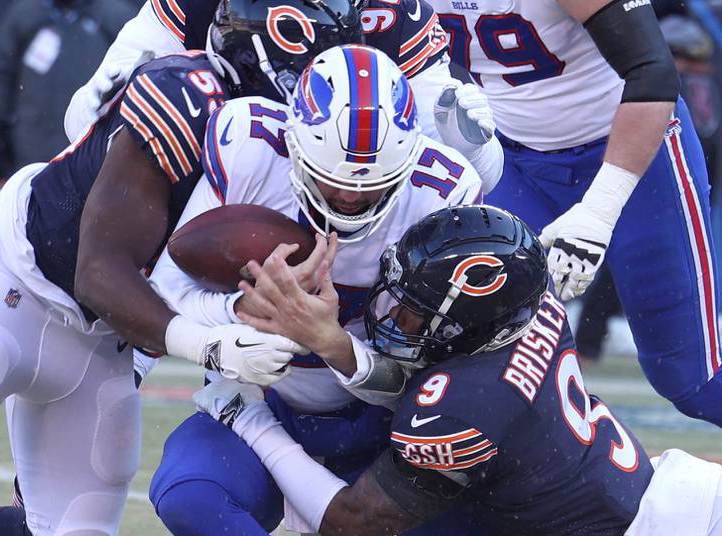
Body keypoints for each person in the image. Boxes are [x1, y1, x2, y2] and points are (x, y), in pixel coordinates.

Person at [0, 1, 364, 534]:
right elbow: (99, 270)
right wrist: (208, 344)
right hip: (14, 289)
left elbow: (186, 280)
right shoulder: (185, 94)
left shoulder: (294, 154)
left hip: (106, 342)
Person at [196, 204, 722, 536]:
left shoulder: (467, 405)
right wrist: (333, 343)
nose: (392, 313)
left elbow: (353, 522)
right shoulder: (526, 307)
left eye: (415, 308)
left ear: (469, 320)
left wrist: (249, 420)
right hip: (678, 497)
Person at [145, 44, 486, 535]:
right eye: (332, 181)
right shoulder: (251, 147)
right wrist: (238, 310)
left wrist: (332, 343)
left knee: (481, 517)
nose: (349, 197)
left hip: (388, 429)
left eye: (372, 185)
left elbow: (440, 383)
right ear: (296, 145)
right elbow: (166, 287)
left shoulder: (442, 199)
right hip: (264, 401)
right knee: (190, 492)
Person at [421, 0, 722, 426]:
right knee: (476, 353)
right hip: (514, 161)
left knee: (692, 379)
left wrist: (599, 210)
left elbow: (653, 70)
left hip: (635, 153)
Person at [62, 0, 506, 195]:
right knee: (181, 91)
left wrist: (466, 141)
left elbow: (475, 177)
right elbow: (78, 124)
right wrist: (105, 112)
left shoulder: (392, 15)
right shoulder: (193, 4)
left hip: (349, 187)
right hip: (212, 186)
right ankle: (131, 333)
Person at [0, 0, 137, 178]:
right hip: (31, 156)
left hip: (92, 157)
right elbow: (1, 75)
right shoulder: (27, 15)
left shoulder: (115, 16)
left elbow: (138, 72)